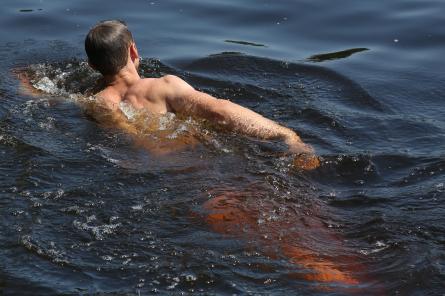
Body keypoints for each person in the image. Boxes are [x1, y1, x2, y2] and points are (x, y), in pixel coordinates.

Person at [84, 20, 318, 166]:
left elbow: (131, 139)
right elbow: (220, 111)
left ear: (92, 66)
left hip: (164, 171)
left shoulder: (98, 102)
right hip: (202, 160)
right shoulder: (162, 87)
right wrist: (286, 136)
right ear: (133, 50)